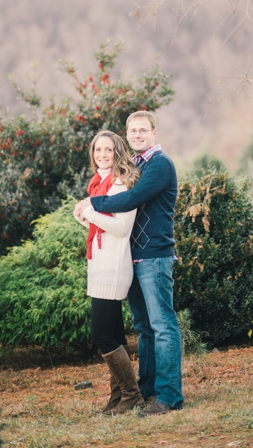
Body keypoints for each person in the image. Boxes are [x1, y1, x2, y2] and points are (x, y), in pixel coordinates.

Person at [78, 110, 183, 417]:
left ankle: (170, 396)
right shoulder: (136, 164)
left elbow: (131, 199)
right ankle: (147, 389)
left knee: (162, 326)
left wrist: (92, 204)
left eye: (142, 130)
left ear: (154, 133)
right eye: (132, 131)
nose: (137, 135)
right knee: (144, 328)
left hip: (154, 254)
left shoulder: (160, 164)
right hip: (133, 256)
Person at [73, 131, 143, 415]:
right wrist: (84, 216)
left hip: (113, 267)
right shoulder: (99, 183)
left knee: (101, 334)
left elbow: (122, 229)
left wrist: (89, 212)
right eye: (97, 149)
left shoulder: (121, 183)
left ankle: (132, 395)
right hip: (100, 264)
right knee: (114, 333)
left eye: (108, 150)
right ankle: (118, 398)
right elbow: (102, 228)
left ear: (118, 152)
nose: (102, 154)